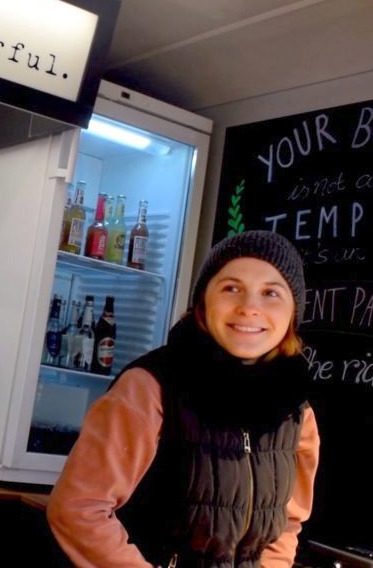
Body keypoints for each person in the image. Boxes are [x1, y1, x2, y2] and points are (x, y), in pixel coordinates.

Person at [48, 230, 321, 568]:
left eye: (271, 293)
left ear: (293, 312)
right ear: (203, 301)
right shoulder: (149, 388)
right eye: (231, 288)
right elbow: (79, 508)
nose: (250, 307)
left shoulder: (296, 411)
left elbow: (287, 523)